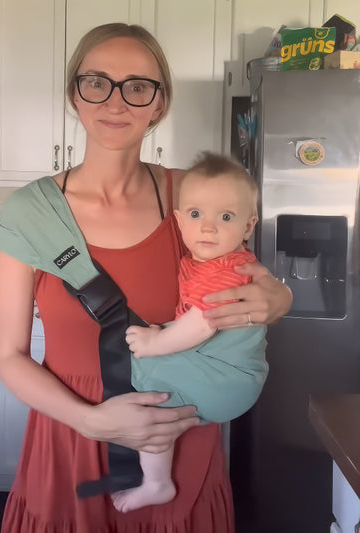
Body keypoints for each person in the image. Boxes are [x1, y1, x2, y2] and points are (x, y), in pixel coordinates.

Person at [0, 22, 292, 533]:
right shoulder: (28, 213)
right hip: (72, 433)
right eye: (97, 82)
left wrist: (280, 298)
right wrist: (91, 420)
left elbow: (251, 278)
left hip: (174, 436)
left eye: (137, 86)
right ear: (74, 94)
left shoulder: (191, 198)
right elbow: (7, 355)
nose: (116, 101)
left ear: (159, 102)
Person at [114, 152, 267, 513]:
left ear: (248, 227)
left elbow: (203, 323)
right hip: (226, 379)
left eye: (225, 217)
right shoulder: (213, 261)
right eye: (196, 215)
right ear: (180, 221)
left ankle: (157, 483)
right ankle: (157, 478)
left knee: (145, 382)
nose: (208, 228)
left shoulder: (226, 271)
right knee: (156, 405)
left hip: (229, 375)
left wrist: (157, 343)